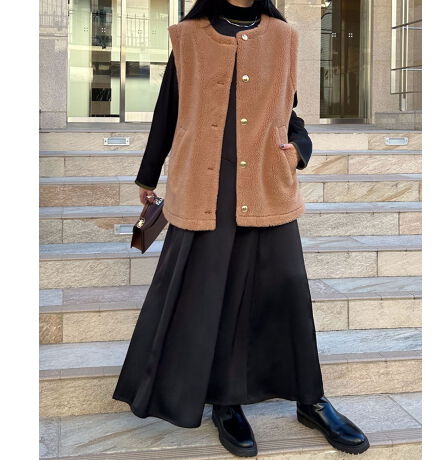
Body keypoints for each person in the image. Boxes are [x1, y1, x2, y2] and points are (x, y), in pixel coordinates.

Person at [112, 0, 369, 457]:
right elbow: (168, 112)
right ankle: (226, 401)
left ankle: (311, 400)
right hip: (205, 187)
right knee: (217, 293)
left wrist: (298, 151)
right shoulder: (188, 36)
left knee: (287, 289)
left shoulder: (283, 36)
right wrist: (147, 178)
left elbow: (288, 115)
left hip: (266, 183)